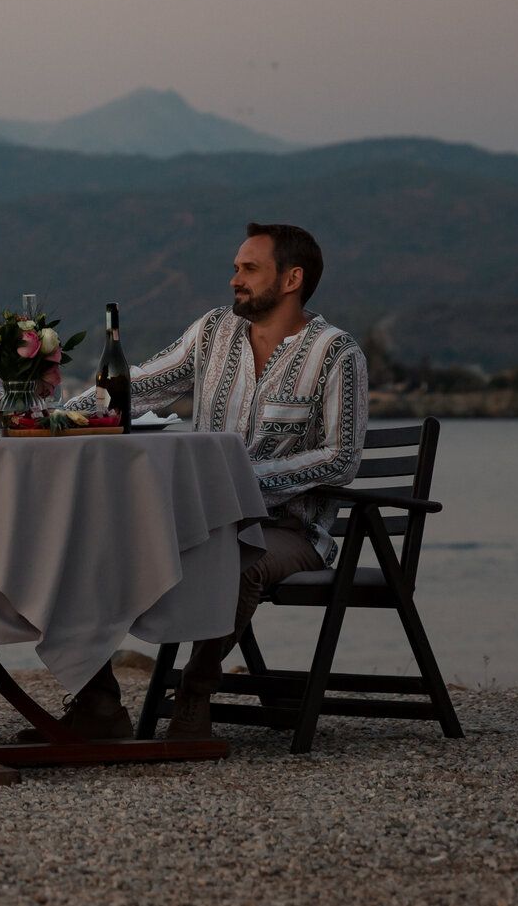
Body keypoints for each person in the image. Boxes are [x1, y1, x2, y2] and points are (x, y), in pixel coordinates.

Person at [42, 222, 368, 741]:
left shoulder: (336, 353)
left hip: (288, 530)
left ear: (292, 279)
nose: (235, 279)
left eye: (250, 269)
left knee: (236, 559)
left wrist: (236, 480)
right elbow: (133, 388)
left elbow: (341, 458)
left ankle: (195, 695)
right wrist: (53, 421)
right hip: (198, 517)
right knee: (85, 544)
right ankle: (98, 704)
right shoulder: (214, 331)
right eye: (236, 268)